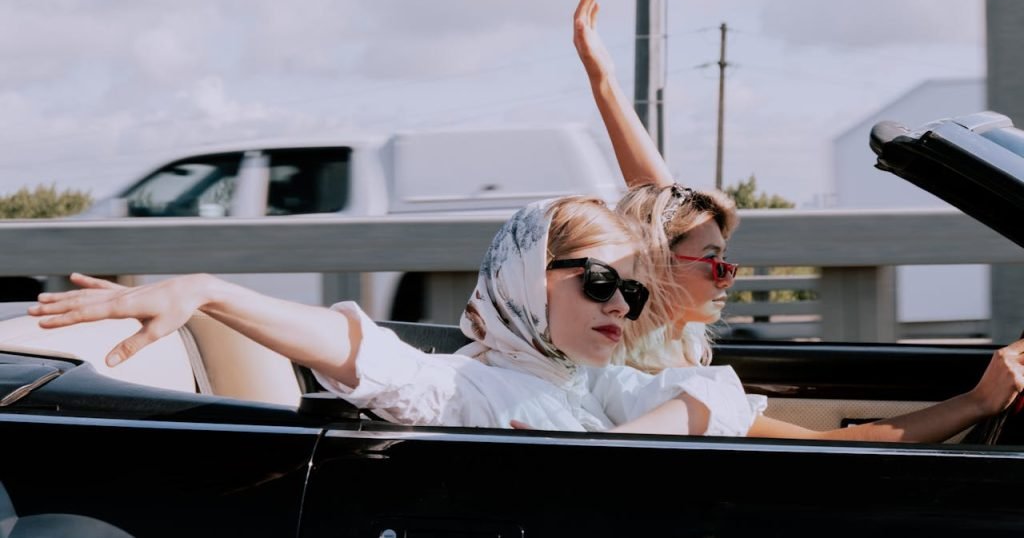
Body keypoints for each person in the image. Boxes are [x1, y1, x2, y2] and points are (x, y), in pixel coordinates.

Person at [572, 0, 1024, 442]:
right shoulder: (664, 390)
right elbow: (820, 450)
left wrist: (604, 81)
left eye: (726, 262)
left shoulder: (664, 338)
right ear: (654, 267)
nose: (729, 277)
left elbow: (658, 199)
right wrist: (978, 402)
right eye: (716, 263)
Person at [28, 195, 764, 436]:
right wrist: (211, 291)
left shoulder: (583, 385)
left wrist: (615, 455)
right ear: (523, 280)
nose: (618, 304)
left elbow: (713, 397)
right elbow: (364, 356)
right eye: (601, 281)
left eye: (633, 293)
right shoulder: (471, 387)